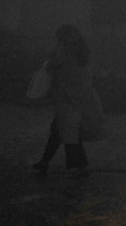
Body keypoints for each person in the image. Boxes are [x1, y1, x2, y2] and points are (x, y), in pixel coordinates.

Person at [33, 25, 106, 178]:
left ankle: (73, 163)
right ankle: (60, 162)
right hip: (81, 97)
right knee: (63, 131)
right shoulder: (83, 53)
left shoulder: (67, 53)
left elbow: (54, 66)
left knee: (64, 131)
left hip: (68, 99)